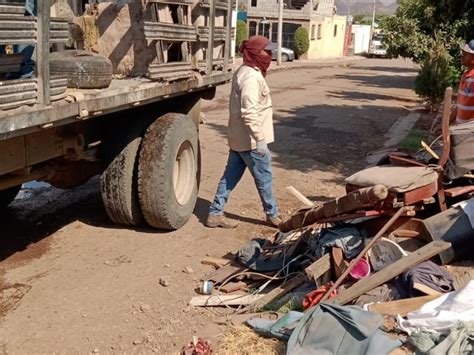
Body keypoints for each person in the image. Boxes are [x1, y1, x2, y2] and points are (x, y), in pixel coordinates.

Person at [206, 35, 281, 229]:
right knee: (264, 179)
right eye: (267, 51)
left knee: (229, 177)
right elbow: (249, 112)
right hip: (251, 142)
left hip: (239, 139)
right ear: (256, 53)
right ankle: (273, 216)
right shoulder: (251, 78)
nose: (270, 55)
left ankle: (215, 213)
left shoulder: (245, 72)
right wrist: (260, 139)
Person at [455, 39, 474, 124]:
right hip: (461, 129)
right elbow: (459, 105)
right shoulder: (465, 76)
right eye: (463, 53)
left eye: (466, 54)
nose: (462, 56)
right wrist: (445, 124)